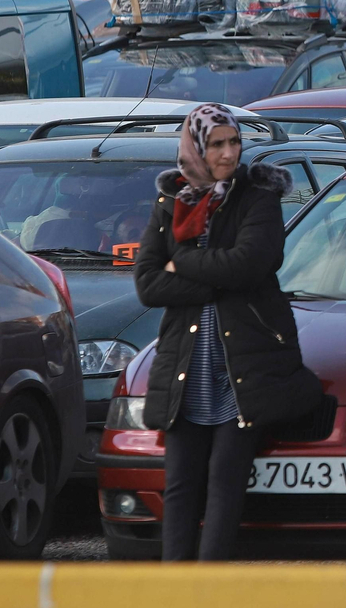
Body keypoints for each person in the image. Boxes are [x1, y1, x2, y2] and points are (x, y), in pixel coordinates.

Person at [135, 103, 321, 562]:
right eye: (216, 143)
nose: (228, 152)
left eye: (233, 141)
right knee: (180, 483)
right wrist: (213, 273)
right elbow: (148, 283)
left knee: (225, 477)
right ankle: (176, 587)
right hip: (187, 361)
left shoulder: (257, 196)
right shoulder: (172, 201)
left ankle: (209, 586)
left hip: (244, 363)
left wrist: (183, 262)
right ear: (196, 147)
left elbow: (251, 264)